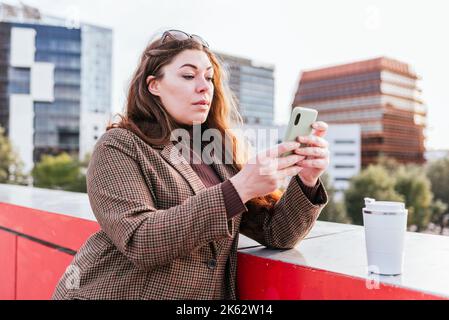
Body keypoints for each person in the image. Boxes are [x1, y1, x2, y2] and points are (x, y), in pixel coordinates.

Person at [52, 29, 329, 300]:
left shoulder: (214, 151)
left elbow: (277, 234)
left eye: (209, 77)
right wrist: (238, 189)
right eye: (188, 75)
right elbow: (140, 240)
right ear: (154, 85)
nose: (204, 86)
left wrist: (306, 180)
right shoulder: (119, 145)